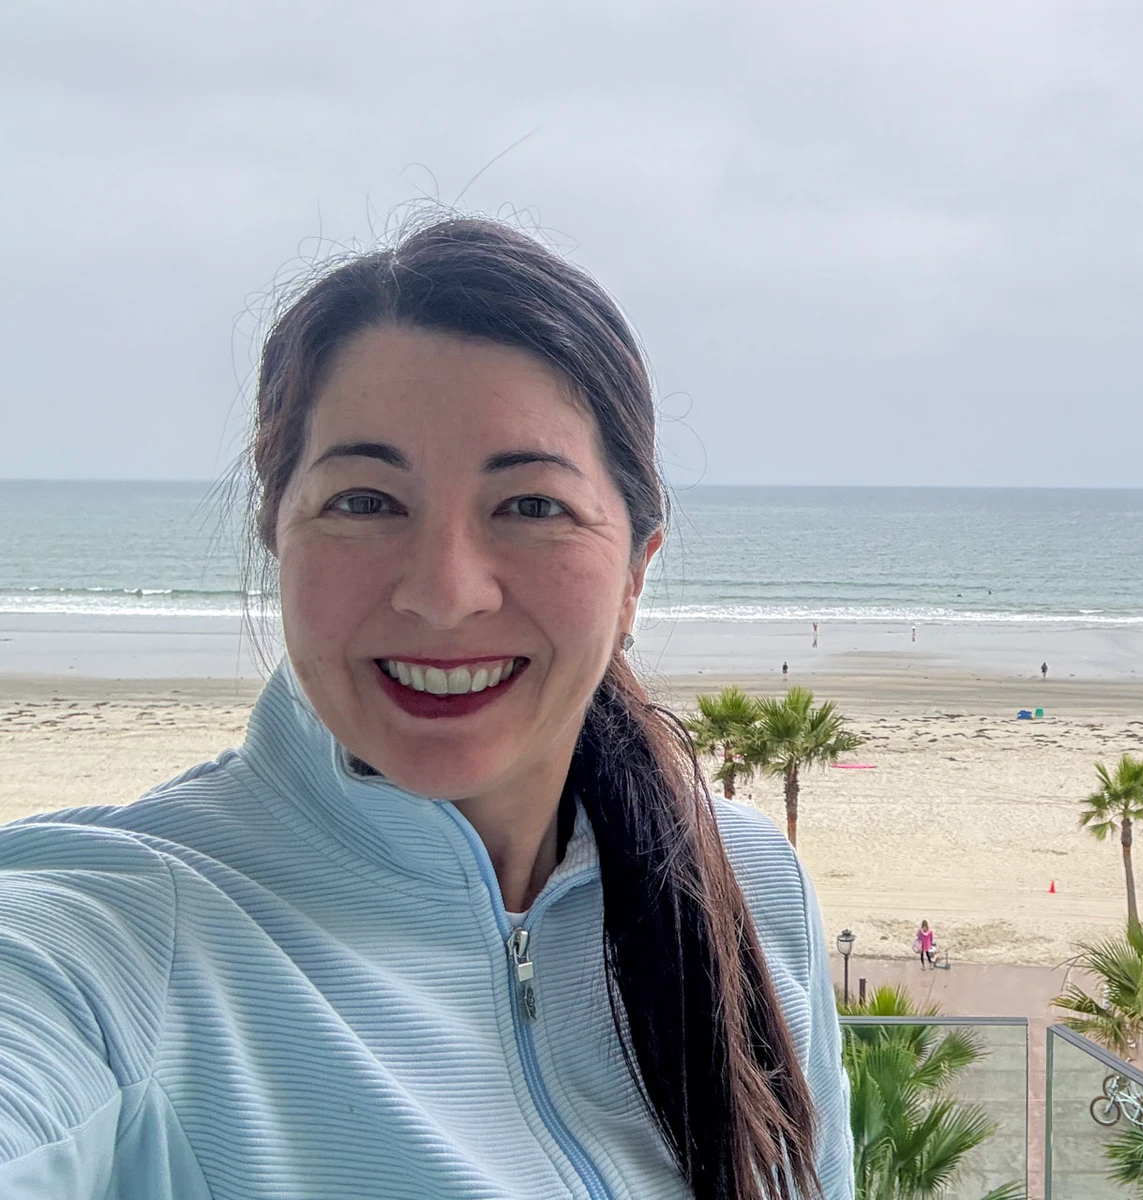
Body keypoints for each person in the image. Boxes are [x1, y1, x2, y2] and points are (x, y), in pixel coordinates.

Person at [0, 218, 853, 1198]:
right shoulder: (120, 942)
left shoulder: (744, 888)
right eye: (366, 501)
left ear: (634, 575)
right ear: (278, 536)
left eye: (532, 506)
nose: (444, 594)